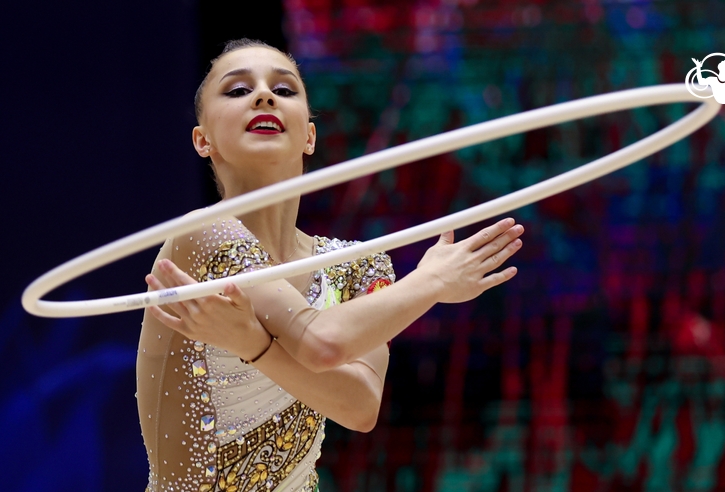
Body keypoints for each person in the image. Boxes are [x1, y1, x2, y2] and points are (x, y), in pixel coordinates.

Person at [137, 38, 525, 492]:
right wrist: (432, 280)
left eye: (284, 89)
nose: (264, 96)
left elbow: (359, 407)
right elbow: (319, 343)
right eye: (238, 91)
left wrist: (251, 341)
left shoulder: (358, 266)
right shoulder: (201, 234)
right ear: (203, 141)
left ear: (309, 135)